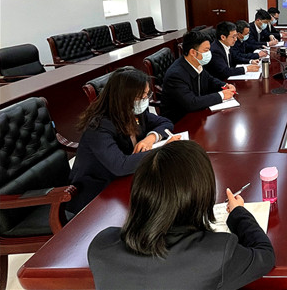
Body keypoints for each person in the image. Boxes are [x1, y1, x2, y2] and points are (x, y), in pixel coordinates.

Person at [88, 140, 275, 290]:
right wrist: (238, 213)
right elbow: (265, 255)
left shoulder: (100, 246)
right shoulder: (217, 253)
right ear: (200, 196)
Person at [67, 67, 178, 215]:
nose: (146, 100)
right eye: (141, 96)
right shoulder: (99, 126)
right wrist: (163, 149)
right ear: (124, 97)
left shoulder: (134, 111)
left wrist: (151, 138)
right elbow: (120, 166)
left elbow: (166, 123)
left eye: (147, 94)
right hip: (98, 193)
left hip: (127, 179)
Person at [160, 30, 236, 123]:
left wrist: (224, 85)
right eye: (206, 50)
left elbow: (209, 80)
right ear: (193, 52)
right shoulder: (176, 75)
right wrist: (221, 95)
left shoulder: (196, 63)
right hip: (180, 121)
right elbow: (191, 103)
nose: (209, 53)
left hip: (198, 113)